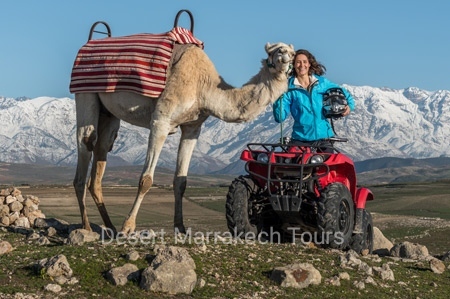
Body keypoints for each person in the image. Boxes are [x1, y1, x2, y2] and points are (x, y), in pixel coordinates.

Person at [272, 49, 355, 151]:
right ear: (293, 65)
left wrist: (349, 106)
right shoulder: (288, 88)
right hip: (300, 139)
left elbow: (345, 94)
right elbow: (279, 117)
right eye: (298, 62)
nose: (302, 65)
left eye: (304, 62)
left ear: (309, 64)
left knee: (327, 166)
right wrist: (277, 96)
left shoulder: (322, 83)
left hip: (324, 138)